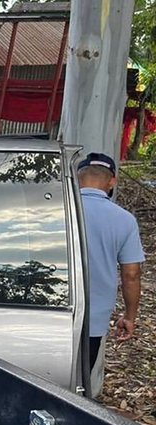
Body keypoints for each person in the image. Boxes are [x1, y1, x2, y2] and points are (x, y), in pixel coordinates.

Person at [79, 153, 144, 396]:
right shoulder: (125, 221)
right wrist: (129, 316)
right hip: (93, 317)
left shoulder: (57, 212)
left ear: (77, 178)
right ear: (112, 182)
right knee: (79, 381)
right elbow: (131, 274)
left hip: (49, 309)